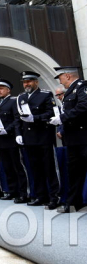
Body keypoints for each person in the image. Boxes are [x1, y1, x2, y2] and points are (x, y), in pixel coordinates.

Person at [15, 71, 60, 209]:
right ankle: (41, 196)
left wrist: (35, 118)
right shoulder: (21, 97)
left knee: (49, 168)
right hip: (29, 139)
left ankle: (54, 197)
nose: (26, 84)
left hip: (43, 137)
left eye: (29, 81)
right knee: (35, 169)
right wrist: (18, 133)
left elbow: (51, 112)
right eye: (24, 82)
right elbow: (18, 118)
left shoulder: (45, 95)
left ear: (36, 82)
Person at [50, 66, 87, 213]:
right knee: (74, 172)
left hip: (83, 137)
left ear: (67, 76)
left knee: (78, 171)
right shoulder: (71, 90)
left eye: (60, 78)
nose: (60, 81)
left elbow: (84, 106)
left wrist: (62, 118)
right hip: (73, 139)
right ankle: (73, 203)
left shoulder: (81, 87)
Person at [0, 79, 29, 204]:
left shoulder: (13, 101)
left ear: (8, 90)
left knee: (18, 166)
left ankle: (23, 193)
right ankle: (12, 191)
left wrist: (7, 130)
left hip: (12, 138)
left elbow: (17, 119)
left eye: (1, 88)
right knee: (7, 167)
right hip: (1, 140)